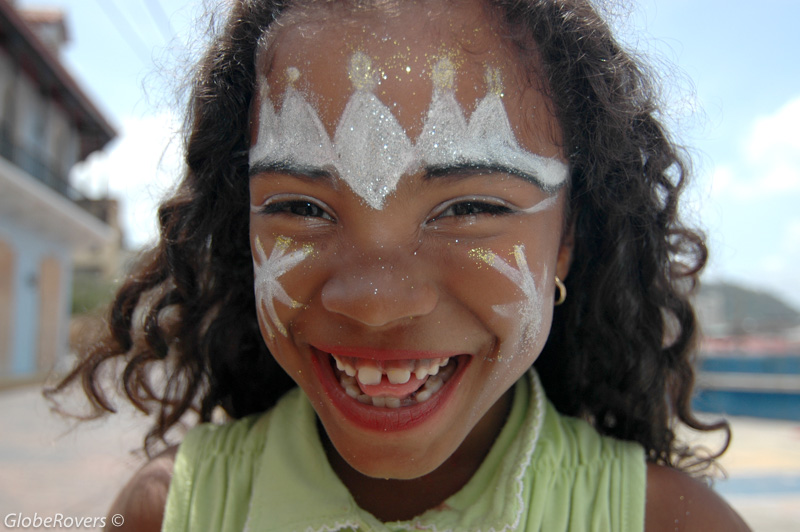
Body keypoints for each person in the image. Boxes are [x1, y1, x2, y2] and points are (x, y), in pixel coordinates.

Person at [51, 0, 751, 530]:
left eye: (470, 206)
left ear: (568, 235)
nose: (376, 303)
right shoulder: (170, 513)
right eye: (301, 206)